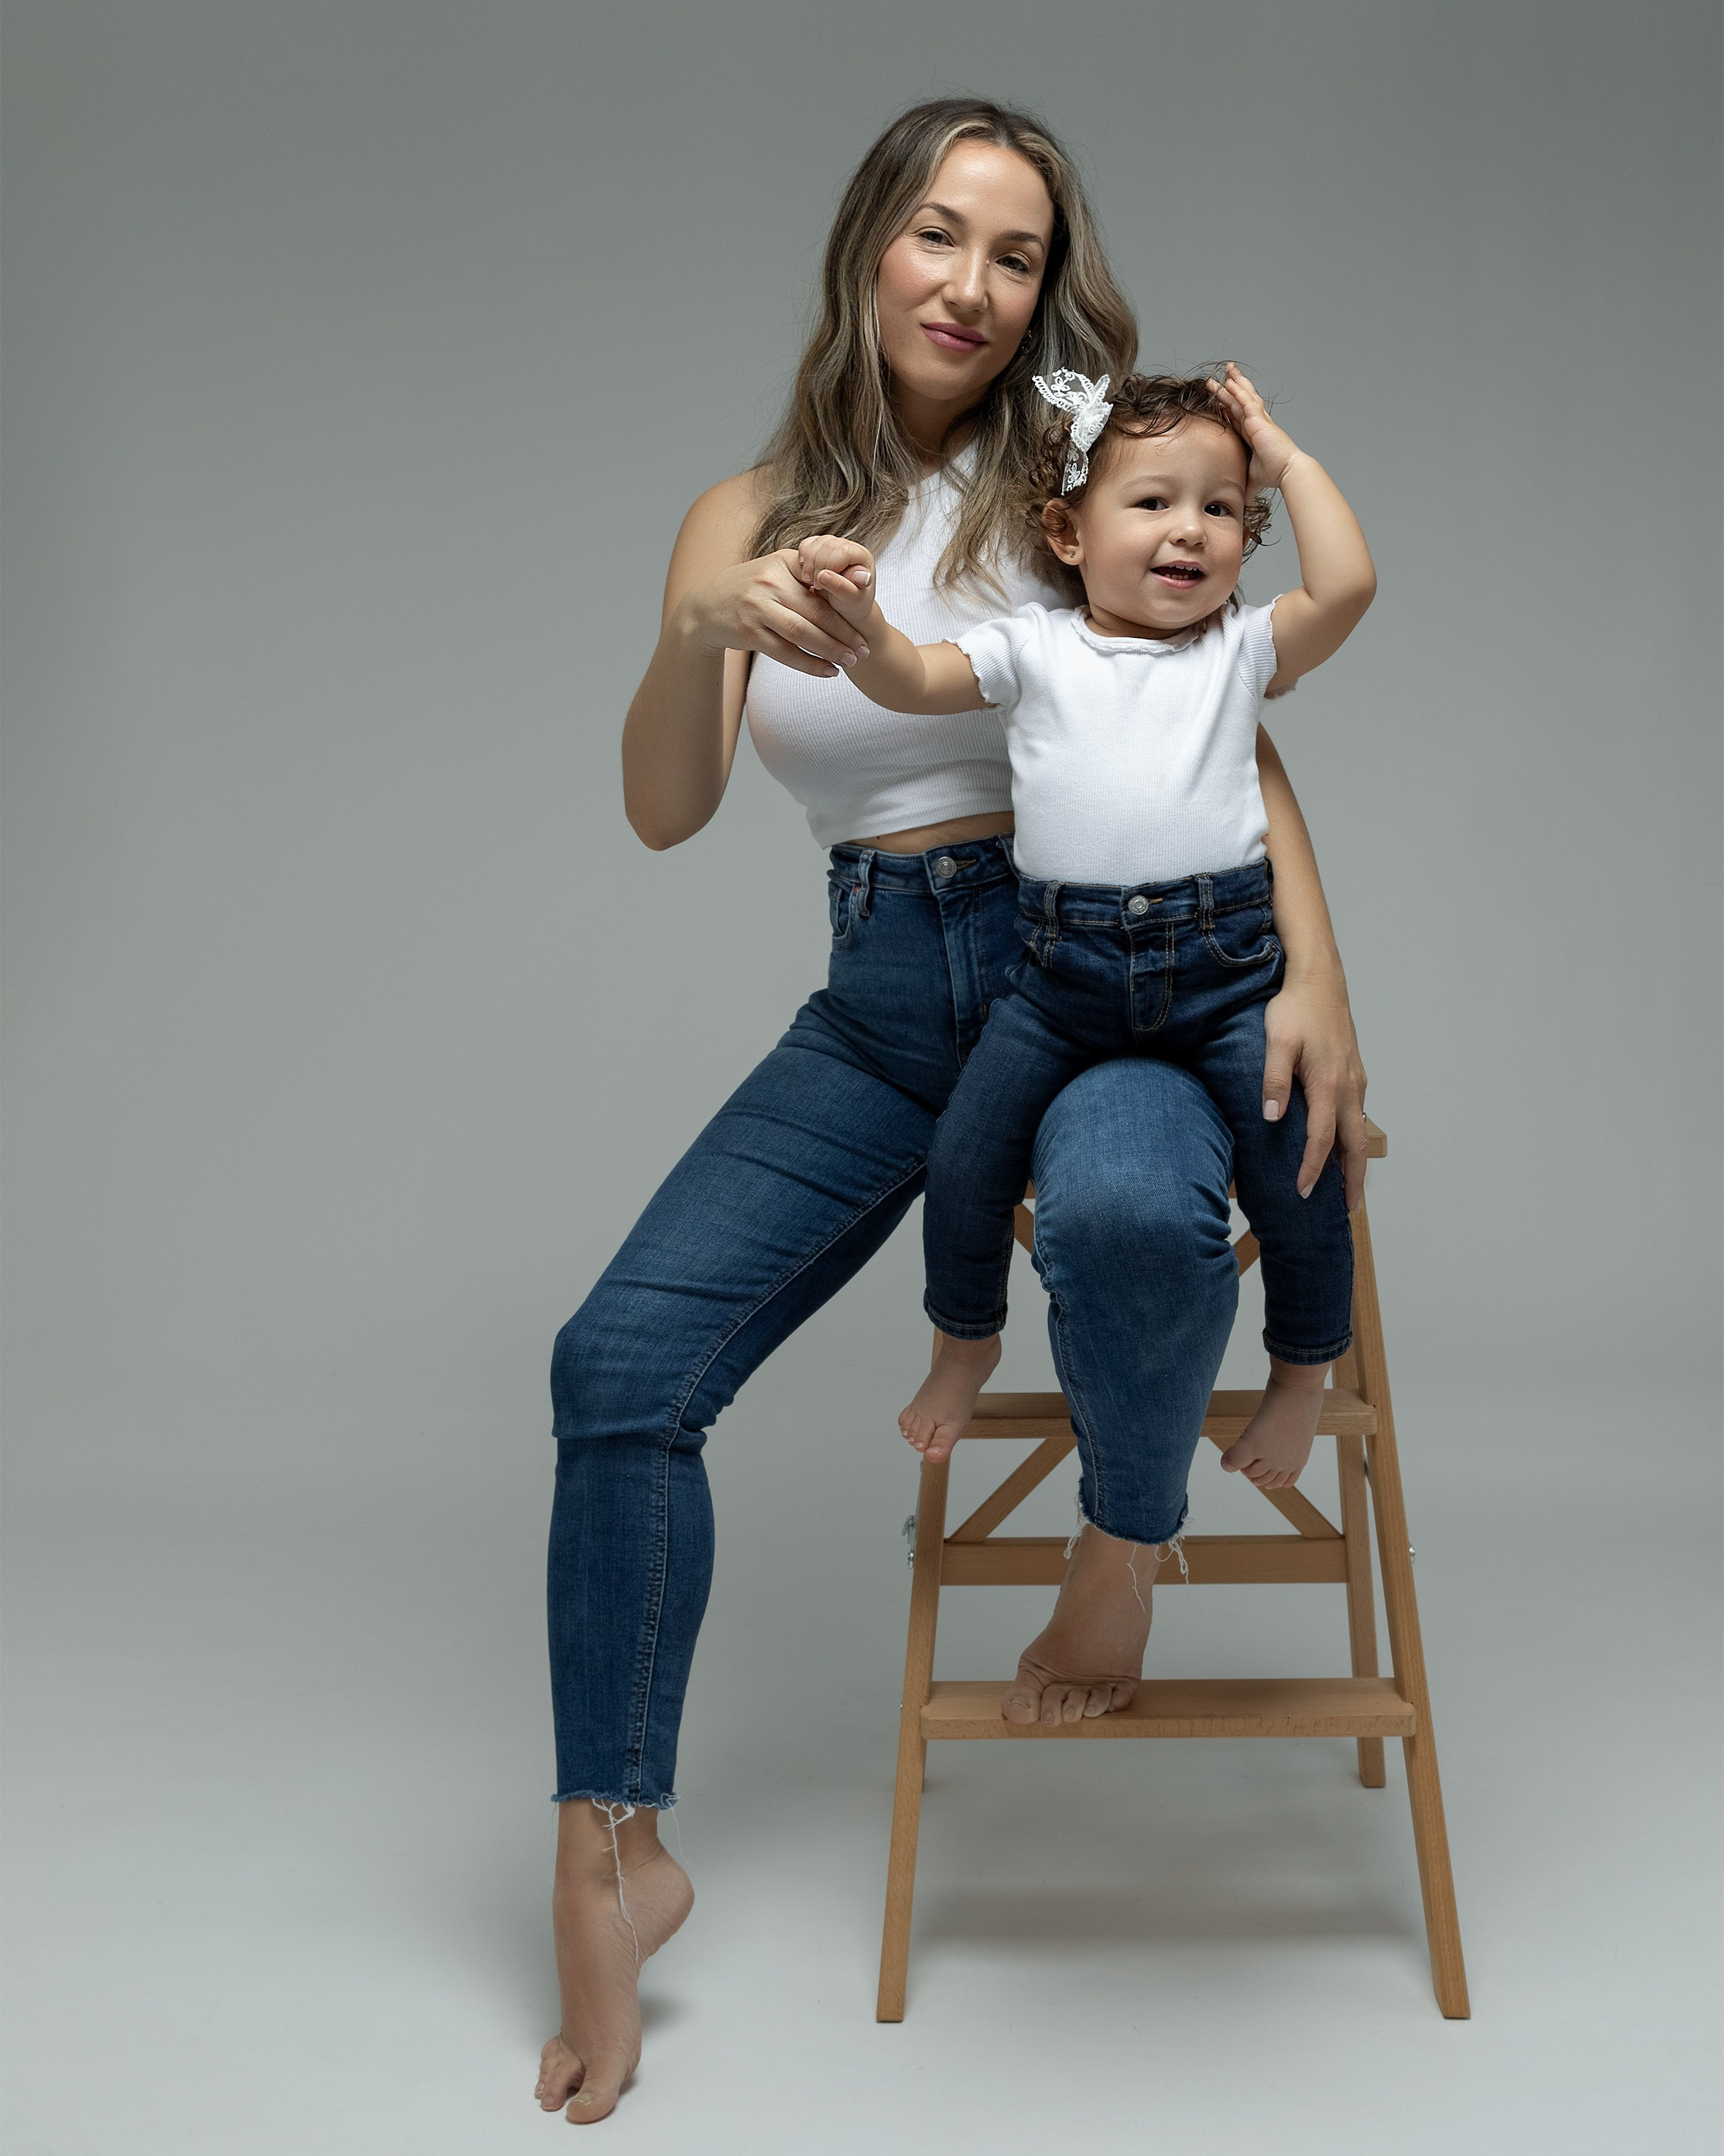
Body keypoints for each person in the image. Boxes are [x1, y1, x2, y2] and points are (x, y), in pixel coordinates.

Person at [536, 99, 1369, 2126]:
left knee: (1128, 1225)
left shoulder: (1071, 451)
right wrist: (695, 630)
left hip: (1113, 977)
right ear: (865, 252)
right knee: (618, 1360)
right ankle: (611, 1848)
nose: (973, 288)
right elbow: (664, 807)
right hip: (888, 997)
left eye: (1018, 254)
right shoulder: (739, 511)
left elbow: (1214, 708)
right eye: (938, 237)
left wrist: (1318, 964)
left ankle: (1122, 1538)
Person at [793, 363, 1375, 1483]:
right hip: (1058, 978)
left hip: (1224, 973)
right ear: (1067, 529)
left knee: (1295, 1169)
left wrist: (1286, 459)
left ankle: (1302, 1375)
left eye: (1220, 508)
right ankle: (965, 1342)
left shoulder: (1237, 653)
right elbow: (911, 680)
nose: (1190, 532)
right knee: (963, 1158)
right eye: (1152, 502)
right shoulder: (1035, 648)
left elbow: (1346, 588)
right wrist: (862, 621)